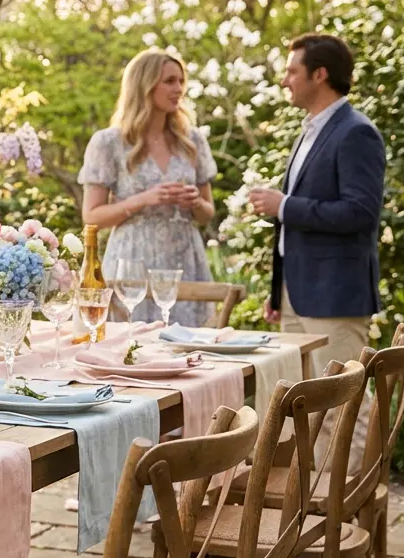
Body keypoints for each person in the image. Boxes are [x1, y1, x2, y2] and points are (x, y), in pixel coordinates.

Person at [248, 33, 385, 469]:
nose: (284, 80)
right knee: (304, 407)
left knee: (343, 403)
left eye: (292, 71)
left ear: (320, 74)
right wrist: (279, 290)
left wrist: (284, 205)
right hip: (297, 293)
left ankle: (345, 498)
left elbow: (360, 213)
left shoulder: (356, 132)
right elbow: (296, 227)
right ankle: (307, 499)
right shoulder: (311, 130)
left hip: (335, 295)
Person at [78, 49, 217, 326]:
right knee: (132, 344)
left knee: (187, 345)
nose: (179, 88)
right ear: (144, 85)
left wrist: (195, 203)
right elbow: (91, 217)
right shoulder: (109, 143)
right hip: (131, 263)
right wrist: (144, 199)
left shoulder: (192, 141)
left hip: (184, 262)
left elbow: (207, 214)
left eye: (181, 81)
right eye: (169, 81)